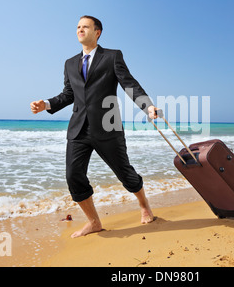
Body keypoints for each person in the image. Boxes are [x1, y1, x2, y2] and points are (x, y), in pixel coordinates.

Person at [30, 15, 158, 238]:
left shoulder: (112, 56)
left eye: (85, 27)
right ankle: (94, 222)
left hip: (108, 127)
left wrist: (147, 106)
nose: (80, 30)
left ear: (97, 32)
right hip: (79, 128)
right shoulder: (70, 63)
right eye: (78, 27)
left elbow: (130, 84)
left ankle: (144, 204)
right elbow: (68, 94)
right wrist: (47, 104)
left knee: (125, 173)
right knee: (73, 176)